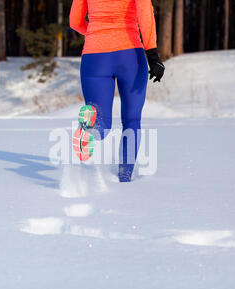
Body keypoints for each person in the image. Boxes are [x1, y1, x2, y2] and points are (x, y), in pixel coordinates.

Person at [70, 0, 165, 182]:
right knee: (132, 120)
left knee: (100, 123)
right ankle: (124, 177)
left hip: (94, 57)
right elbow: (145, 13)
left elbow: (75, 21)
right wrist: (152, 54)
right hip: (129, 56)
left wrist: (95, 32)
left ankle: (90, 129)